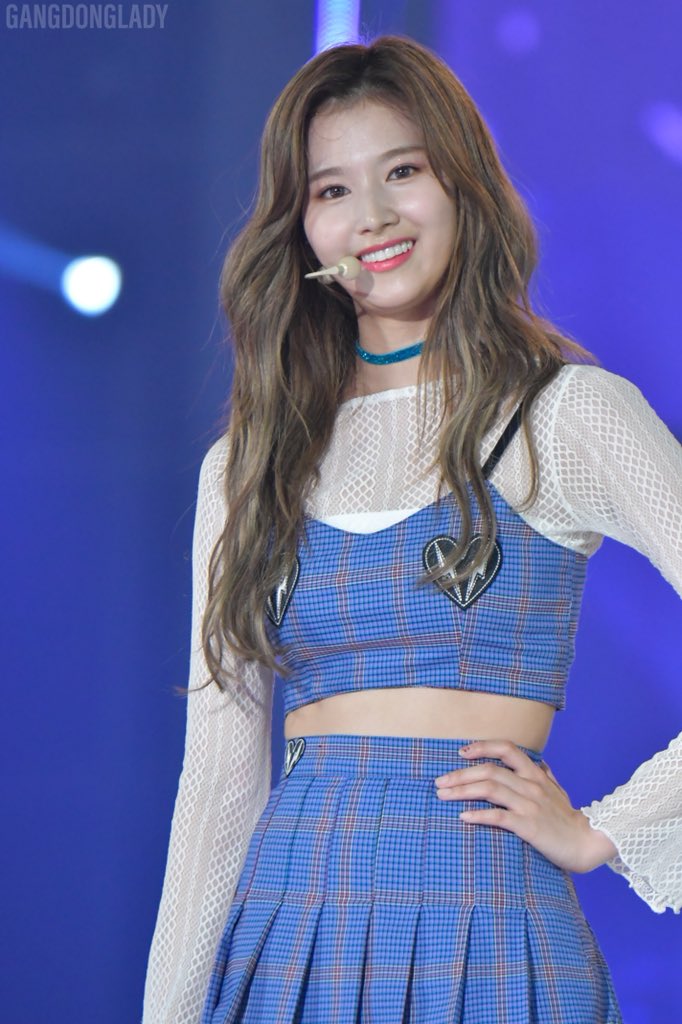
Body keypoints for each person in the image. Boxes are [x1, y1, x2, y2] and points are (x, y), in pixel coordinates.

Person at [142, 35, 682, 1024]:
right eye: (331, 190)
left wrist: (606, 829)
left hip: (489, 920)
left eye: (403, 172)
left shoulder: (567, 414)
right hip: (291, 926)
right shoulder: (249, 464)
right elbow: (216, 783)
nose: (373, 217)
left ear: (462, 184)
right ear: (301, 226)